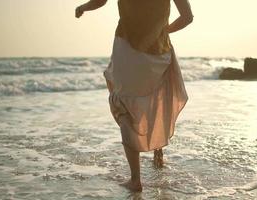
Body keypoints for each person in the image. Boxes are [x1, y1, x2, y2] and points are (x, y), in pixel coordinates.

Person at [75, 0, 193, 192]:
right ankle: (158, 148)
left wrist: (83, 8)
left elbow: (100, 0)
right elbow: (187, 18)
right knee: (157, 94)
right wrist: (163, 32)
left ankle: (135, 180)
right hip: (158, 52)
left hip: (128, 49)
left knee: (123, 106)